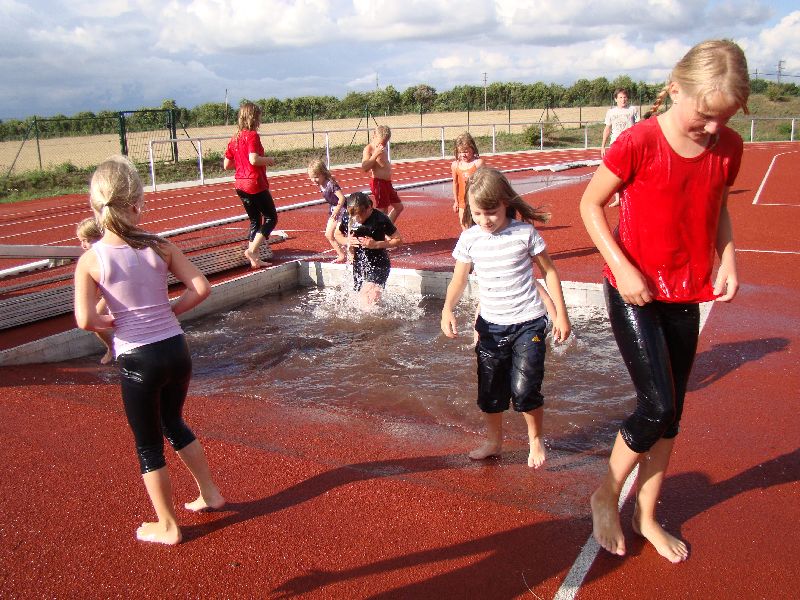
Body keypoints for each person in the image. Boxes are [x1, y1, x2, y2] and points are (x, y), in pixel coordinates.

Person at [579, 40, 749, 563]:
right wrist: (623, 268)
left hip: (686, 289)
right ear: (676, 89)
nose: (712, 128)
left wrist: (728, 257)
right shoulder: (639, 141)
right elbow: (590, 204)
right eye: (705, 115)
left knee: (671, 414)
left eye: (724, 119)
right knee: (656, 404)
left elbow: (718, 205)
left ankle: (646, 515)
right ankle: (606, 493)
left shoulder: (729, 147)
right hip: (633, 289)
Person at [73, 156, 225, 546]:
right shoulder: (160, 246)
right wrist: (170, 311)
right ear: (137, 202)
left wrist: (114, 321)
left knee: (148, 444)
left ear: (96, 204)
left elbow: (85, 319)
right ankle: (209, 492)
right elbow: (201, 288)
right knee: (174, 422)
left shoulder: (91, 259)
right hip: (175, 348)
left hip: (138, 357)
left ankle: (168, 525)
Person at [441, 167, 571, 468]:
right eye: (477, 213)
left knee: (525, 390)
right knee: (490, 392)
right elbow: (459, 280)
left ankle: (535, 440)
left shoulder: (524, 233)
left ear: (505, 203)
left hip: (529, 323)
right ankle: (493, 441)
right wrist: (447, 308)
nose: (485, 220)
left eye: (492, 213)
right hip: (491, 327)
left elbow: (549, 272)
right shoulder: (470, 239)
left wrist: (561, 315)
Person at [224, 101, 278, 268]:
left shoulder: (234, 138)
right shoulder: (252, 135)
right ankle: (252, 251)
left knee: (255, 219)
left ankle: (254, 259)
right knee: (271, 218)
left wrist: (241, 164)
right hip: (254, 183)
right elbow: (254, 159)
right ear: (254, 117)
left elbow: (227, 164)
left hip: (240, 184)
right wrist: (269, 160)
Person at [334, 191, 403, 308]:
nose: (357, 219)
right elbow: (337, 235)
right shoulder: (348, 216)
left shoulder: (380, 219)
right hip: (359, 264)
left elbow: (399, 240)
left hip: (379, 264)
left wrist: (376, 244)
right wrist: (347, 241)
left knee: (368, 300)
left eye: (360, 215)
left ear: (369, 208)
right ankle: (382, 315)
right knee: (363, 300)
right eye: (353, 216)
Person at [76, 217, 114, 365]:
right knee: (95, 317)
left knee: (97, 315)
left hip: (120, 292)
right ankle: (111, 347)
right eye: (81, 241)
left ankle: (114, 347)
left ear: (100, 237)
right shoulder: (89, 259)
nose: (83, 245)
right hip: (109, 293)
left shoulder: (110, 252)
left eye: (87, 240)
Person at [601, 88, 640, 207]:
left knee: (633, 171)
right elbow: (607, 129)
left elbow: (638, 126)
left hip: (631, 143)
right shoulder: (611, 112)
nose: (623, 100)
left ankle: (633, 197)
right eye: (620, 97)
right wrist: (603, 146)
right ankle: (618, 198)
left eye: (625, 97)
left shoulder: (633, 109)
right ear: (615, 99)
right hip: (616, 144)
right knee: (616, 171)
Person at [308, 158, 347, 263]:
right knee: (329, 234)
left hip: (343, 210)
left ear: (323, 174)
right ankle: (341, 254)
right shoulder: (321, 184)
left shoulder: (331, 184)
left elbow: (342, 198)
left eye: (316, 177)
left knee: (339, 235)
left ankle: (353, 252)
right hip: (334, 210)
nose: (314, 180)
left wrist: (337, 209)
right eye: (312, 178)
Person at [362, 125, 403, 223]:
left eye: (385, 143)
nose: (383, 145)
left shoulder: (383, 147)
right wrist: (375, 154)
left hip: (387, 183)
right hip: (378, 183)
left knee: (399, 207)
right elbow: (365, 167)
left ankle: (387, 227)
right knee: (383, 210)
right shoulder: (369, 149)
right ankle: (376, 229)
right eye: (381, 142)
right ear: (374, 136)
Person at [451, 132, 485, 230]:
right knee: (464, 226)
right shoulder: (455, 165)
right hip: (462, 201)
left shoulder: (478, 163)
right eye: (460, 152)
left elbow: (485, 181)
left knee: (480, 225)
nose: (463, 155)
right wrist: (456, 201)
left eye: (466, 152)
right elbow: (455, 183)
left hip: (476, 199)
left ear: (472, 149)